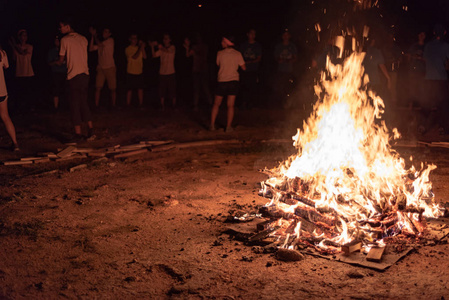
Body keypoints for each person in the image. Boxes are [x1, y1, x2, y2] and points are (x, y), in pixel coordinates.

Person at [57, 18, 95, 142]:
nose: (60, 29)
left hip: (73, 75)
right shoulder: (83, 38)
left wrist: (55, 62)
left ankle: (78, 134)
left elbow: (61, 60)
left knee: (74, 104)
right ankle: (90, 129)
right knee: (84, 102)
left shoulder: (64, 40)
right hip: (85, 74)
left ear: (68, 26)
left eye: (61, 26)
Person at [210, 35, 246, 132]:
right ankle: (228, 127)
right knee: (230, 105)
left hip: (222, 81)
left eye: (223, 41)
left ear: (227, 43)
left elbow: (218, 64)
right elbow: (244, 68)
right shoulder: (237, 54)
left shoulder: (219, 53)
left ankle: (212, 125)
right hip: (233, 81)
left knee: (216, 104)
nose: (221, 43)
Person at [422, 24, 449, 136]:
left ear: (433, 33)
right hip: (441, 79)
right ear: (444, 33)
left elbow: (425, 59)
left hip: (429, 79)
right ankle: (443, 128)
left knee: (427, 103)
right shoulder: (446, 46)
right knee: (443, 105)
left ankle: (422, 126)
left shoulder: (428, 46)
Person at [89, 27, 117, 108]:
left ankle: (113, 105)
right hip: (101, 67)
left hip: (110, 67)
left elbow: (100, 44)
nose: (104, 33)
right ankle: (96, 106)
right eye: (104, 31)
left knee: (113, 88)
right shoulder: (101, 42)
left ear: (110, 34)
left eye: (106, 32)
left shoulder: (110, 41)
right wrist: (92, 37)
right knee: (98, 87)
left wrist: (94, 36)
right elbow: (91, 49)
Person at [8, 29, 35, 110]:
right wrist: (13, 47)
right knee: (20, 92)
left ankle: (29, 107)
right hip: (19, 72)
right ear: (19, 37)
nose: (24, 37)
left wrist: (13, 45)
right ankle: (19, 108)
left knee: (28, 91)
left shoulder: (29, 46)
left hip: (28, 72)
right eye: (22, 35)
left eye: (25, 35)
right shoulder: (17, 47)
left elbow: (22, 53)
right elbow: (14, 58)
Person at [0, 47, 19, 151]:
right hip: (1, 90)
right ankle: (15, 144)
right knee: (5, 116)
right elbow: (6, 66)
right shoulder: (2, 53)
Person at [151, 33, 176, 110]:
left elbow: (168, 51)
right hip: (162, 72)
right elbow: (154, 55)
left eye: (166, 38)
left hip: (171, 72)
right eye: (164, 38)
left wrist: (159, 46)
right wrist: (152, 46)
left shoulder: (172, 47)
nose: (165, 40)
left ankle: (174, 105)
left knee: (172, 90)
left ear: (170, 40)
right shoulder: (161, 49)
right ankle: (162, 105)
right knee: (162, 90)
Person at [187, 33, 212, 111]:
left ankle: (211, 103)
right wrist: (187, 47)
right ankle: (196, 105)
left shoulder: (205, 47)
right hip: (196, 69)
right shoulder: (194, 47)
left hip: (203, 69)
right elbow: (188, 55)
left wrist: (194, 52)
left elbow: (201, 55)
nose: (198, 40)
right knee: (196, 88)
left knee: (205, 87)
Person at [239, 28, 262, 109]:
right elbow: (240, 57)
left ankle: (251, 103)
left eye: (254, 34)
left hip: (253, 69)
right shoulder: (244, 45)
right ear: (247, 34)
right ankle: (244, 102)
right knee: (244, 86)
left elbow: (259, 58)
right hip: (245, 69)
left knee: (252, 86)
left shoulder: (257, 46)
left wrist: (250, 62)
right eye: (251, 33)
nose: (253, 35)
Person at [274, 30, 297, 107]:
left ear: (289, 36)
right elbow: (276, 57)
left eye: (287, 35)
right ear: (282, 36)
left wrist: (290, 60)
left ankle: (289, 104)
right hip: (281, 70)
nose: (286, 37)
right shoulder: (279, 46)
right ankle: (280, 104)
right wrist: (279, 60)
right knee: (281, 87)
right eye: (284, 35)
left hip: (289, 70)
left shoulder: (292, 46)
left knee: (289, 87)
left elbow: (295, 58)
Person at [125, 33, 147, 107]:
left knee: (140, 89)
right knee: (129, 89)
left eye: (136, 38)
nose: (135, 40)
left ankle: (141, 104)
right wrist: (141, 47)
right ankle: (128, 105)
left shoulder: (139, 48)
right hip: (131, 71)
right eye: (133, 38)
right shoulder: (128, 49)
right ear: (130, 39)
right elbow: (134, 56)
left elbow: (144, 56)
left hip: (139, 71)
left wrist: (142, 47)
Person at [406, 30, 426, 109]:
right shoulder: (413, 46)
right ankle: (410, 107)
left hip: (422, 71)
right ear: (418, 35)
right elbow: (408, 58)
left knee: (422, 89)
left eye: (423, 34)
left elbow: (428, 59)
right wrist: (412, 57)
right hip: (413, 71)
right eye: (420, 34)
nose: (421, 36)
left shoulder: (426, 47)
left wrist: (421, 58)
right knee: (412, 89)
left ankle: (422, 107)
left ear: (425, 36)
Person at [47, 36, 67, 111]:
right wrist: (56, 62)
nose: (57, 42)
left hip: (65, 72)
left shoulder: (65, 50)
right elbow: (49, 63)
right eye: (55, 41)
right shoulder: (52, 51)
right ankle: (56, 107)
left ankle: (65, 106)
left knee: (65, 90)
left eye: (58, 40)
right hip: (56, 73)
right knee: (56, 90)